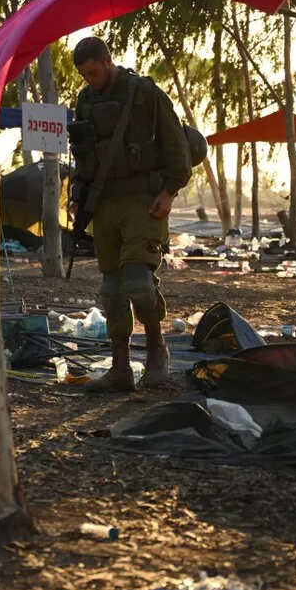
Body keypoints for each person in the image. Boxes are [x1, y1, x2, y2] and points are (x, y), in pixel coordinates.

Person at [66, 36, 191, 393]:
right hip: (104, 204)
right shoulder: (86, 101)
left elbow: (177, 148)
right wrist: (79, 196)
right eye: (83, 75)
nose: (89, 80)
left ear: (108, 60)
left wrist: (168, 192)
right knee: (111, 290)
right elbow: (83, 157)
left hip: (143, 201)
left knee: (137, 282)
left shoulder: (146, 94)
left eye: (93, 72)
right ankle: (120, 367)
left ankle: (156, 350)